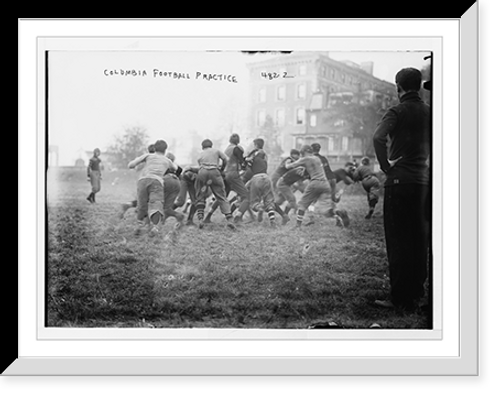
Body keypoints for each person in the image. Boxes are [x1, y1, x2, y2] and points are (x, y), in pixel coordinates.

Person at [373, 67, 431, 311]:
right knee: (420, 240)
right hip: (423, 184)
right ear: (419, 86)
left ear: (398, 88)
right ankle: (417, 293)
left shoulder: (396, 110)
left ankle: (399, 298)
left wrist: (386, 166)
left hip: (398, 183)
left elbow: (378, 137)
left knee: (398, 241)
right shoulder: (431, 112)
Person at [127, 139, 177, 236]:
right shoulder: (167, 160)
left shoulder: (148, 156)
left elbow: (131, 165)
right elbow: (175, 168)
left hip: (142, 181)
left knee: (142, 205)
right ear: (165, 150)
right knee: (156, 204)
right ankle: (154, 227)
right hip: (156, 181)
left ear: (154, 148)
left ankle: (139, 225)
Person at [204, 133, 250, 224]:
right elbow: (242, 163)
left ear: (230, 140)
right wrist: (247, 162)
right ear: (238, 141)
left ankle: (207, 217)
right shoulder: (237, 149)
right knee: (246, 196)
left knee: (222, 197)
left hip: (225, 174)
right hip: (233, 174)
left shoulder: (227, 149)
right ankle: (238, 217)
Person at [285, 144, 332, 228]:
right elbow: (312, 168)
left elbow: (289, 166)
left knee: (302, 204)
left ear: (305, 151)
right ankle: (337, 214)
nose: (301, 154)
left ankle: (298, 225)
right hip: (325, 183)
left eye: (302, 152)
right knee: (325, 208)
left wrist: (287, 162)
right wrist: (304, 168)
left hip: (315, 183)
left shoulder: (305, 159)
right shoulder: (317, 158)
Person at [194, 139, 235, 230]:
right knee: (221, 195)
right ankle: (229, 219)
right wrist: (222, 169)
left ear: (202, 147)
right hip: (214, 172)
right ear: (211, 145)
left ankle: (201, 219)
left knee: (200, 195)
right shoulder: (216, 151)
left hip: (202, 172)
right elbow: (225, 159)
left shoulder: (201, 154)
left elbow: (199, 164)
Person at [245, 138, 279, 227]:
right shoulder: (265, 155)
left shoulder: (255, 154)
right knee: (269, 201)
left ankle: (259, 209)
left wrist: (246, 159)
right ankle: (272, 221)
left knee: (254, 201)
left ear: (256, 145)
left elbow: (247, 162)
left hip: (256, 177)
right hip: (266, 177)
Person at [119, 144, 156, 218]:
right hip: (151, 181)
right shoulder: (156, 159)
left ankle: (129, 205)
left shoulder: (144, 157)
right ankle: (133, 208)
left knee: (143, 199)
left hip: (141, 180)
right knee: (149, 200)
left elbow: (135, 168)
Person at [162, 152, 185, 225]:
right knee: (167, 206)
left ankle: (177, 215)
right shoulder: (177, 168)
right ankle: (177, 216)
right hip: (176, 185)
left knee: (161, 205)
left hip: (166, 183)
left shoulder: (164, 166)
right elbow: (181, 175)